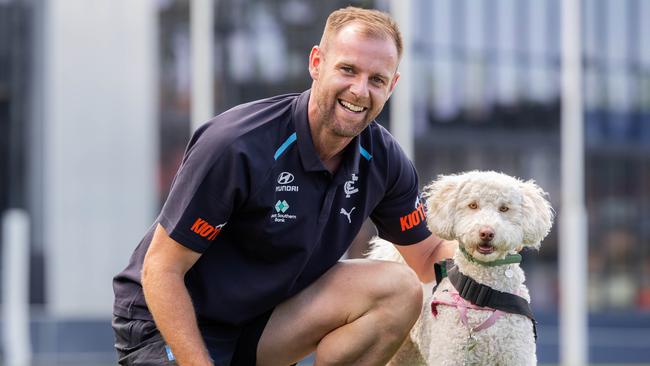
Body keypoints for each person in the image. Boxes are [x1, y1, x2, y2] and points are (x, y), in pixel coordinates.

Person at [112, 6, 455, 366]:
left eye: (376, 79)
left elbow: (430, 258)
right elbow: (161, 270)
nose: (359, 91)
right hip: (165, 321)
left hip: (259, 321)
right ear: (316, 63)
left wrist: (494, 265)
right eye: (348, 70)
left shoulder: (383, 159)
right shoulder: (237, 145)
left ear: (392, 86)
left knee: (398, 289)